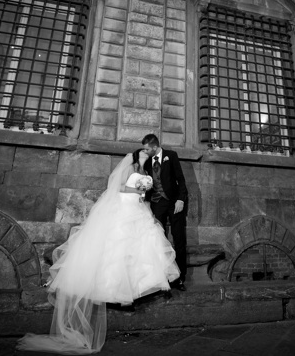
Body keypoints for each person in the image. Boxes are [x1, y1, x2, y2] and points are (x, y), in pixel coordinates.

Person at [17, 149, 179, 354]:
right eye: (144, 156)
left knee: (142, 244)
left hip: (137, 209)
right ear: (137, 156)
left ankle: (134, 288)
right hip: (124, 208)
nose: (146, 158)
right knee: (118, 245)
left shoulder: (144, 170)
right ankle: (115, 288)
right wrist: (137, 188)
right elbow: (118, 187)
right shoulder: (129, 165)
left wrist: (142, 190)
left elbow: (141, 194)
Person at [141, 134, 189, 291]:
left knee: (178, 238)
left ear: (155, 147)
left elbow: (180, 180)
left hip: (174, 202)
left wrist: (181, 200)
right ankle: (163, 277)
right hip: (157, 203)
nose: (145, 151)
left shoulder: (171, 156)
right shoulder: (147, 161)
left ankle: (180, 277)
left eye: (147, 149)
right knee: (158, 240)